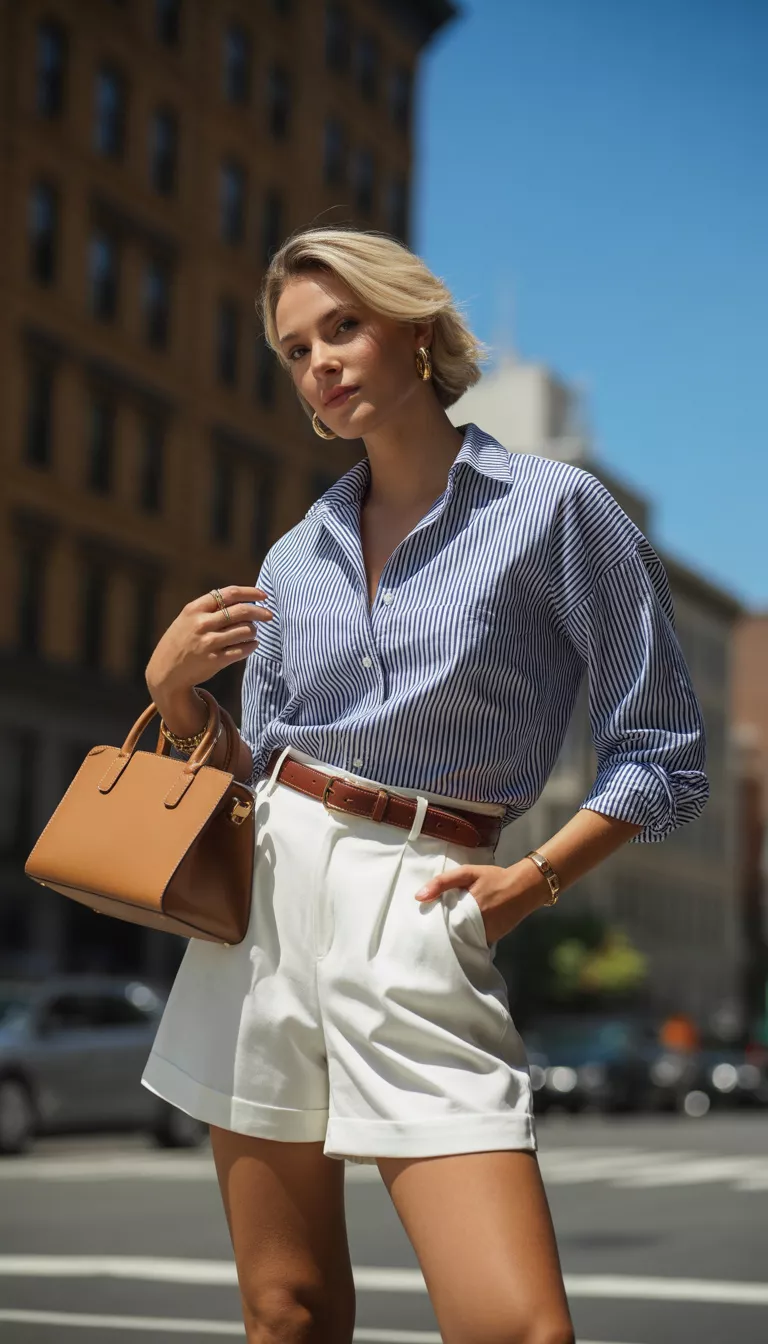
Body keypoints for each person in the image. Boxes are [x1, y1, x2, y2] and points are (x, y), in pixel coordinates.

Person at [141, 226, 710, 1344]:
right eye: (297, 350)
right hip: (262, 912)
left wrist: (532, 882)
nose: (321, 363)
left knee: (517, 1327)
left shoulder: (555, 509)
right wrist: (172, 695)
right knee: (286, 1312)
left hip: (423, 898)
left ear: (413, 327)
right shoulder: (295, 554)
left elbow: (664, 750)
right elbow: (252, 775)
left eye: (343, 327)